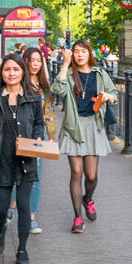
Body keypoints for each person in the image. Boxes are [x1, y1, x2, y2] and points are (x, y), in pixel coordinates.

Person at [0, 54, 45, 264]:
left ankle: (22, 249)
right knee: (0, 208)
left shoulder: (33, 97)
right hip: (3, 159)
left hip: (26, 159)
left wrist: (37, 137)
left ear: (22, 72)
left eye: (16, 69)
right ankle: (0, 229)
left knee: (24, 206)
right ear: (2, 73)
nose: (11, 73)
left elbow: (38, 123)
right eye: (7, 69)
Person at [51, 39, 117, 233]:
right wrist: (64, 64)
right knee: (76, 173)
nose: (80, 55)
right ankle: (77, 217)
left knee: (91, 175)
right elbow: (57, 90)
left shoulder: (100, 74)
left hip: (93, 126)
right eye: (76, 52)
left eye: (83, 51)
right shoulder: (69, 74)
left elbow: (114, 94)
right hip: (74, 126)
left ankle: (88, 199)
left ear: (90, 54)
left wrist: (108, 97)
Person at [21, 46, 55, 234]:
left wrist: (50, 137)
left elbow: (48, 113)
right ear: (25, 61)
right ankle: (10, 208)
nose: (35, 64)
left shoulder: (44, 85)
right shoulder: (18, 80)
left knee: (35, 177)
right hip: (18, 132)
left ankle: (31, 218)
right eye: (31, 60)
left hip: (38, 133)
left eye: (38, 61)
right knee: (15, 173)